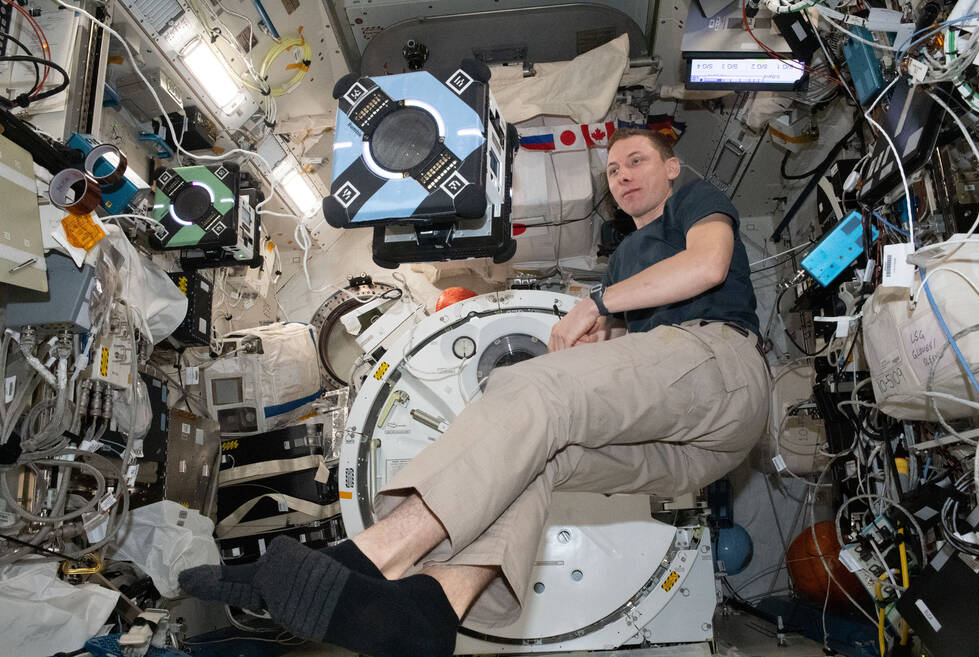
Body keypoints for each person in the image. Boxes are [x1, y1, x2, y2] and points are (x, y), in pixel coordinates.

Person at [179, 128, 770, 657]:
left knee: (531, 388)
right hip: (689, 454)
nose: (622, 176)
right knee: (534, 460)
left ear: (670, 168)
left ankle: (364, 557)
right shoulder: (622, 268)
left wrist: (592, 307)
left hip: (721, 370)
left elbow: (708, 266)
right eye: (613, 171)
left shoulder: (694, 202)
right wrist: (589, 339)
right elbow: (624, 365)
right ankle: (430, 607)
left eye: (636, 161)